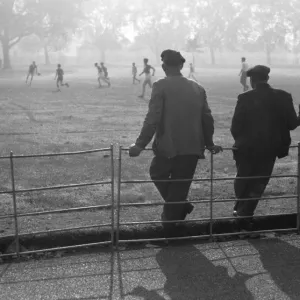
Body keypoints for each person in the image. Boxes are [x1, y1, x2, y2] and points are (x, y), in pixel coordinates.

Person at [129, 49, 222, 236]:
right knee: (180, 184)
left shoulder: (161, 85)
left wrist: (140, 144)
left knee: (157, 173)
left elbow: (153, 117)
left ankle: (170, 227)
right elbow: (207, 119)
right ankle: (178, 211)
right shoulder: (198, 87)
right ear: (182, 66)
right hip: (193, 145)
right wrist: (209, 143)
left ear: (163, 66)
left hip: (168, 144)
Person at [231, 65, 300, 230]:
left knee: (243, 179)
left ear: (252, 80)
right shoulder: (283, 96)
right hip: (270, 148)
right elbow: (292, 124)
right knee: (259, 183)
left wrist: (241, 141)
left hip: (246, 148)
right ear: (267, 78)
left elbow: (235, 126)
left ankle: (241, 214)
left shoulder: (244, 97)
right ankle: (244, 215)